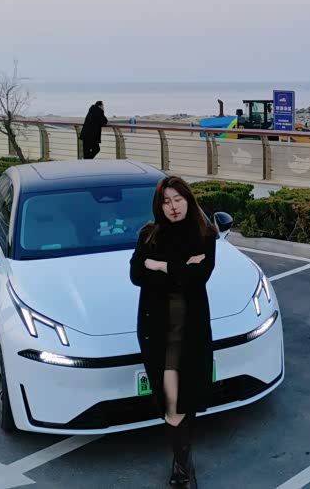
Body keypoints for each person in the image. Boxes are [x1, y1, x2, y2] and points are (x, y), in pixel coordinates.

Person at [130, 176, 218, 488]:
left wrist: (160, 266)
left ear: (188, 200)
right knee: (171, 400)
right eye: (166, 201)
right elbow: (136, 274)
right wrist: (181, 269)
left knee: (184, 397)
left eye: (178, 199)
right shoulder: (148, 235)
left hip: (190, 327)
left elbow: (200, 276)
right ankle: (183, 470)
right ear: (160, 206)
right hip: (157, 329)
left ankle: (182, 466)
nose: (173, 207)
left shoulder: (205, 234)